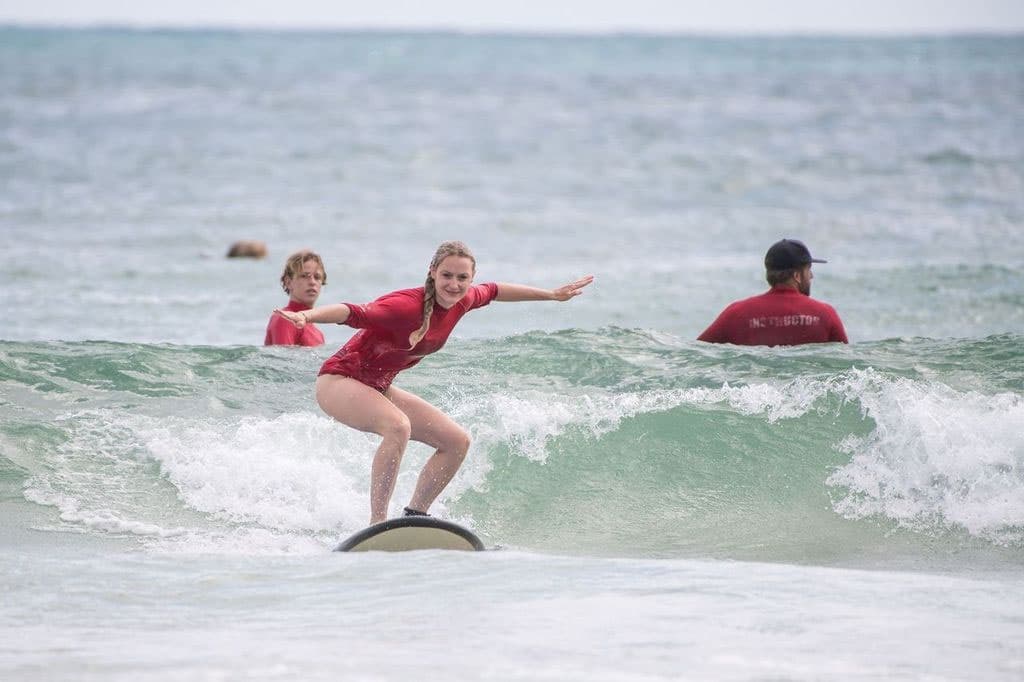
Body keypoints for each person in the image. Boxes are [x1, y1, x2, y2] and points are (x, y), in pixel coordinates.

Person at [274, 240, 594, 524]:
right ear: (432, 272)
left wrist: (552, 295)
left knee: (456, 442)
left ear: (470, 279)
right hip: (338, 380)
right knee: (398, 426)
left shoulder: (465, 300)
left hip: (377, 386)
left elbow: (496, 291)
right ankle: (377, 524)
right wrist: (308, 317)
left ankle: (415, 515)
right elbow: (353, 312)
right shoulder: (404, 307)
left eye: (462, 278)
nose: (454, 285)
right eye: (447, 276)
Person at [697, 239, 848, 346]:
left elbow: (696, 353)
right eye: (809, 270)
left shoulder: (736, 314)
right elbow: (846, 365)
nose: (811, 276)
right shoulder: (825, 314)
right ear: (796, 275)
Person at [265, 250, 328, 347]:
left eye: (317, 277)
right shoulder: (286, 318)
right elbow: (281, 360)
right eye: (304, 276)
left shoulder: (318, 333)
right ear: (288, 282)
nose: (312, 282)